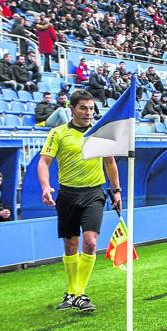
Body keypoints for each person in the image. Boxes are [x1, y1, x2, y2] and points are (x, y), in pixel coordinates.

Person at [37, 90, 122, 312]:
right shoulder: (58, 133)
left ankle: (79, 293)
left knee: (91, 242)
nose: (88, 113)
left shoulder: (100, 133)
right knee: (70, 245)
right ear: (73, 109)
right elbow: (44, 162)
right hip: (67, 194)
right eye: (83, 108)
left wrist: (117, 191)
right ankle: (72, 292)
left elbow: (110, 163)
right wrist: (46, 186)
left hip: (94, 193)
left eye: (91, 108)